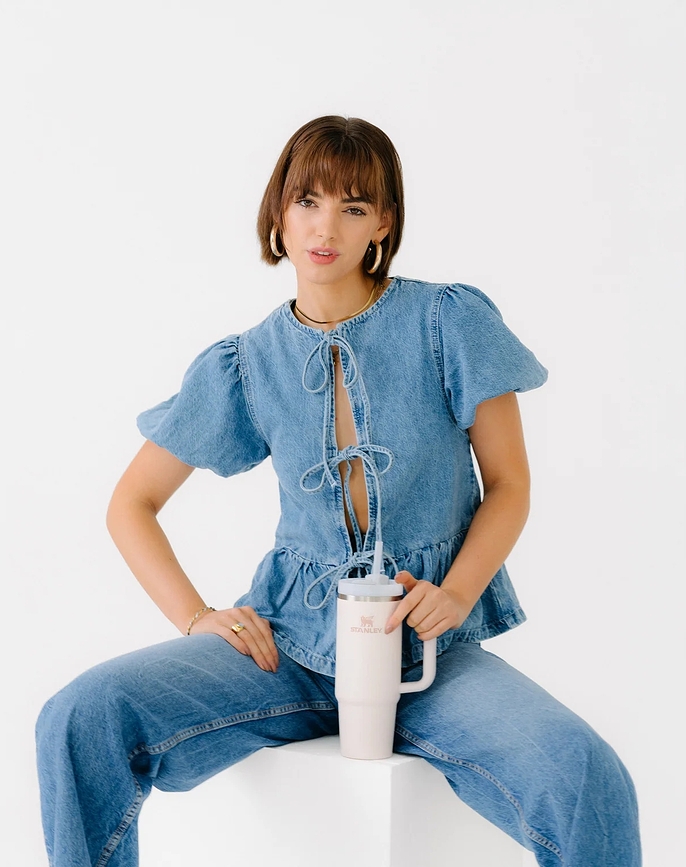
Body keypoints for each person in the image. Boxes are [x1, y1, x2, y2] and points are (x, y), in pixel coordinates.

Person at [35, 115, 642, 866]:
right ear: (279, 213)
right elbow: (131, 504)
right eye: (308, 201)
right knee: (79, 717)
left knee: (584, 774)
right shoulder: (245, 363)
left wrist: (456, 594)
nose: (326, 227)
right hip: (285, 645)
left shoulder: (447, 322)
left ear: (383, 222)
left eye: (354, 206)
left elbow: (510, 484)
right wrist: (197, 617)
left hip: (429, 651)